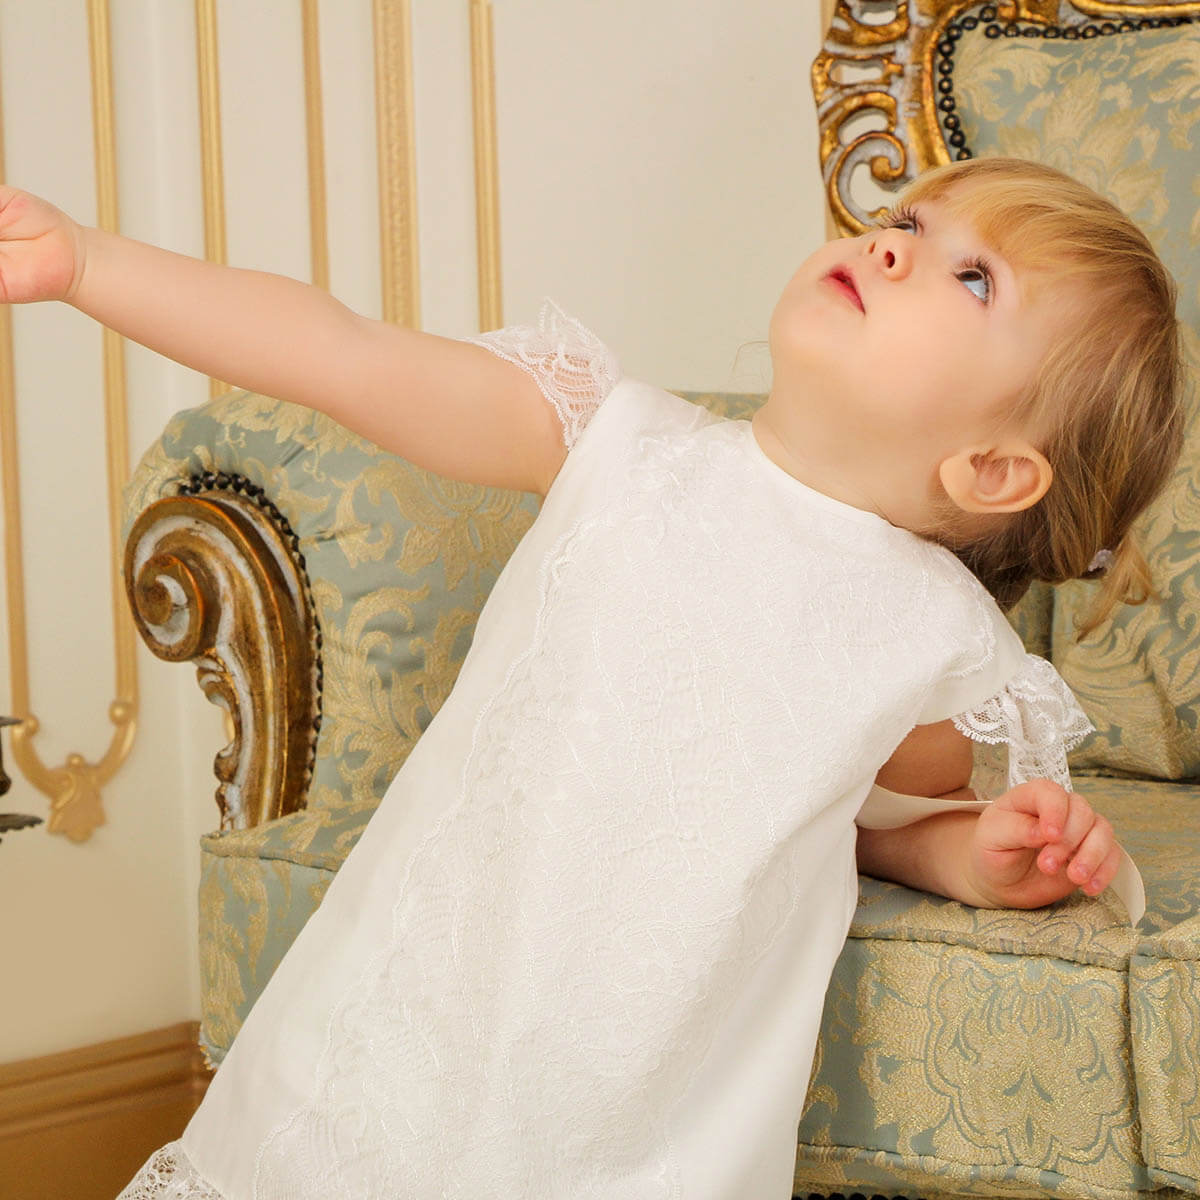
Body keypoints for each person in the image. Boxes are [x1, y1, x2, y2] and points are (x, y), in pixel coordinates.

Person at [0, 156, 1182, 1198]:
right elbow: (334, 349)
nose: (891, 240)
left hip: (631, 1114)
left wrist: (969, 856)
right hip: (414, 1013)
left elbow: (831, 817)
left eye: (974, 279)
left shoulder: (929, 636)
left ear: (990, 470)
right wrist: (90, 262)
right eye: (913, 222)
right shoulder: (616, 444)